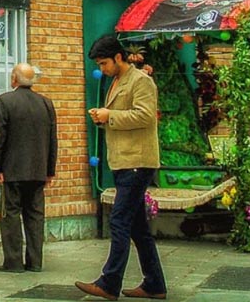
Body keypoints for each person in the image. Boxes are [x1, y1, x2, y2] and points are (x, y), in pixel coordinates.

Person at [75, 35, 167, 301]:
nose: (101, 69)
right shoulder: (115, 81)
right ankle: (155, 284)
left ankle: (109, 282)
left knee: (118, 220)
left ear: (118, 57)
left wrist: (109, 115)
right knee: (138, 227)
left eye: (104, 63)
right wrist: (102, 119)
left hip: (137, 162)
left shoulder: (141, 81)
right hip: (123, 160)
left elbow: (145, 115)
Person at [0, 62, 58, 273]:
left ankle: (13, 262)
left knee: (10, 214)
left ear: (14, 79)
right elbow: (52, 139)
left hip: (13, 170)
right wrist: (49, 170)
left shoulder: (5, 101)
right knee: (35, 216)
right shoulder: (46, 103)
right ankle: (35, 262)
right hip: (38, 170)